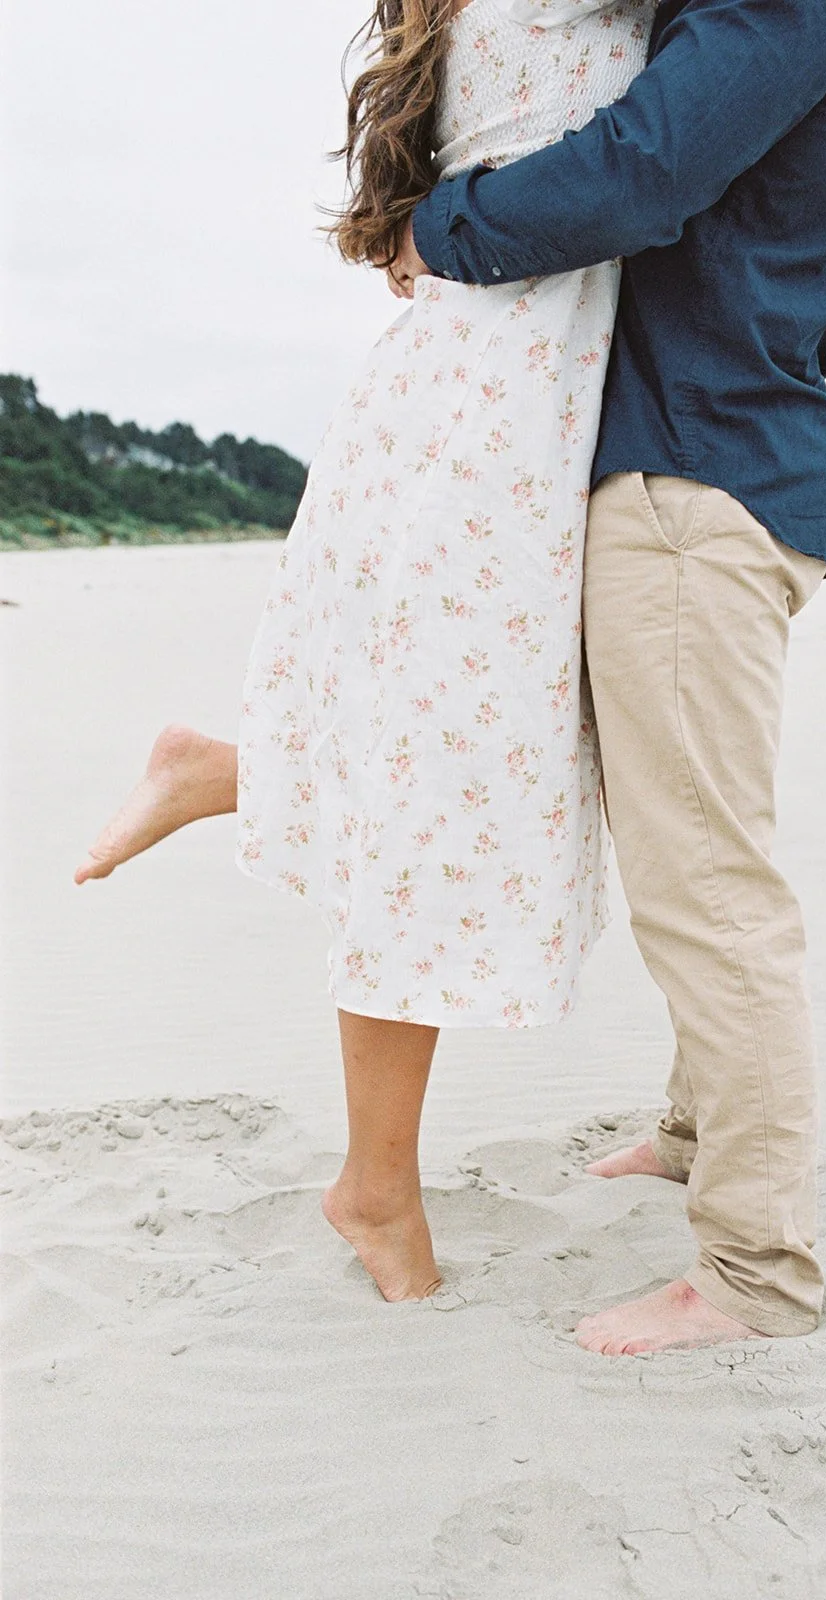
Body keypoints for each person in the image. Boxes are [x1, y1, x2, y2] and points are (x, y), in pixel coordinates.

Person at [75, 0, 654, 1311]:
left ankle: (214, 765)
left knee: (439, 763)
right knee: (439, 798)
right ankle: (375, 1189)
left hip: (481, 399)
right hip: (488, 426)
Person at [385, 0, 826, 1355]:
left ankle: (757, 1272)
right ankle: (699, 1132)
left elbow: (650, 163)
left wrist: (435, 228)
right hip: (706, 458)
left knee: (706, 886)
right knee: (681, 847)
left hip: (699, 472)